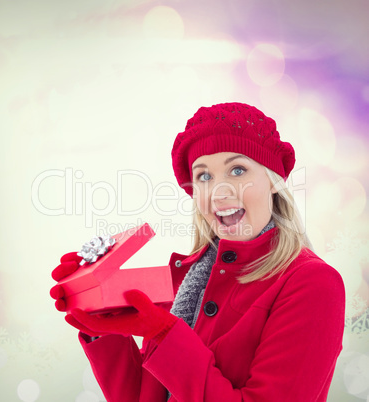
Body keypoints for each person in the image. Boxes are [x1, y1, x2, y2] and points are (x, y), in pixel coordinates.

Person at [50, 102, 345, 401]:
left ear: (272, 180)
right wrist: (104, 324)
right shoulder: (188, 278)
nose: (219, 190)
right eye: (204, 176)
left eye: (238, 170)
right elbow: (144, 396)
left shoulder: (313, 283)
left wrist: (167, 335)